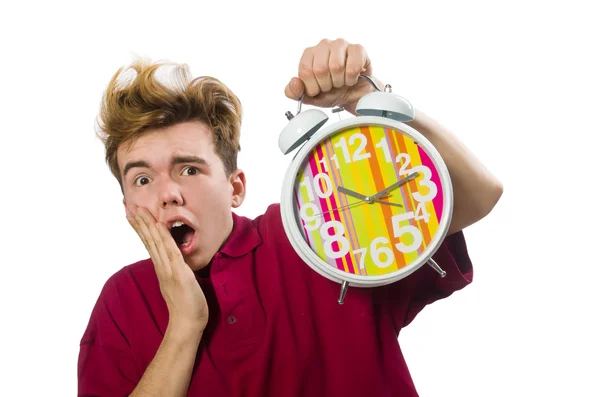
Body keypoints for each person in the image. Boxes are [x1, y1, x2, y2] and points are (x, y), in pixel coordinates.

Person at [77, 38, 503, 396]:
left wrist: (365, 102)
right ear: (128, 208)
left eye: (189, 169)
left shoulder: (311, 225)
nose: (167, 193)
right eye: (142, 179)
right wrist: (185, 325)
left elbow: (480, 195)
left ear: (236, 187)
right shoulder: (121, 301)